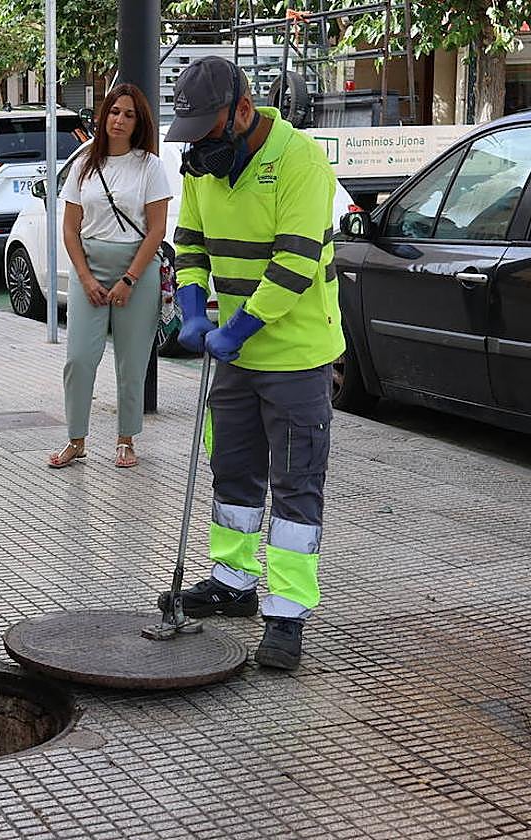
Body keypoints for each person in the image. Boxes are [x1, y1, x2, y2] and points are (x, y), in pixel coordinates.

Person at [160, 57, 343, 670]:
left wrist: (237, 328)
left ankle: (288, 614)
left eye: (209, 133)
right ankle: (232, 581)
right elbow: (189, 243)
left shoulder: (300, 161)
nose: (201, 150)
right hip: (234, 359)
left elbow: (293, 264)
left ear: (241, 111)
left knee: (296, 482)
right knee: (233, 471)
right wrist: (190, 305)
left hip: (293, 354)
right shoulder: (201, 165)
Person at [48, 83, 172, 470]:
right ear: (104, 117)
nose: (119, 120)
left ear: (140, 123)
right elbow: (70, 228)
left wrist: (130, 279)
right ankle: (76, 439)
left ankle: (125, 439)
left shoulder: (150, 166)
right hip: (90, 268)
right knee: (80, 358)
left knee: (131, 363)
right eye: (114, 112)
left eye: (129, 114)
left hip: (137, 271)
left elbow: (156, 229)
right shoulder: (85, 163)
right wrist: (84, 279)